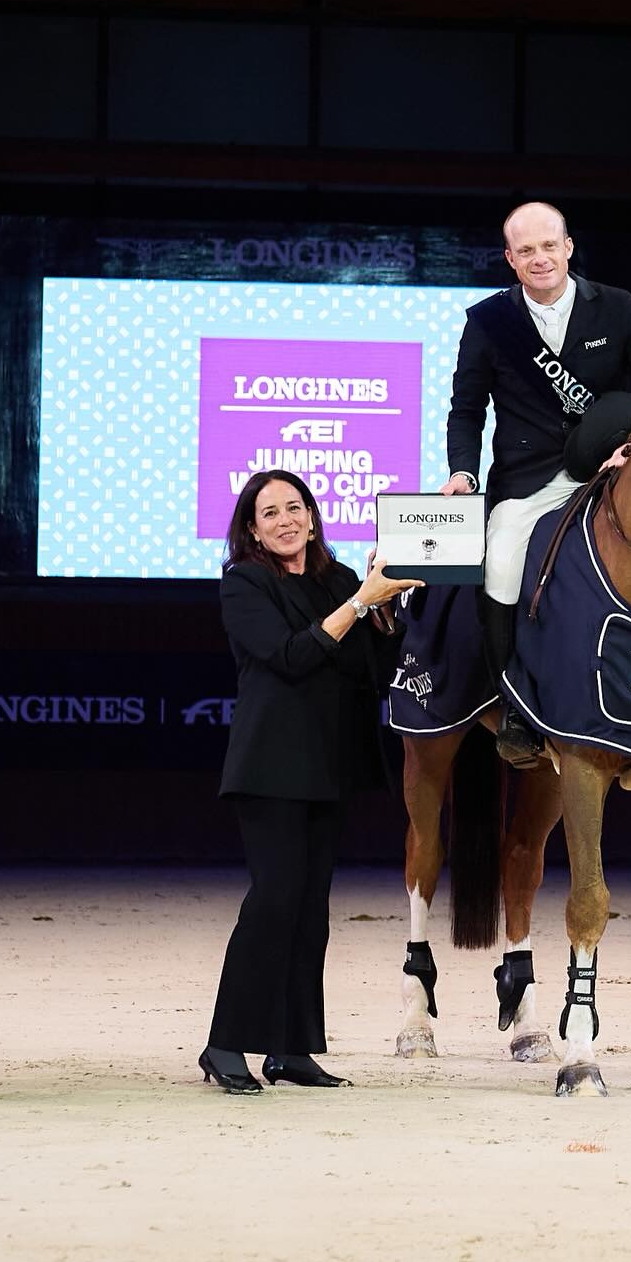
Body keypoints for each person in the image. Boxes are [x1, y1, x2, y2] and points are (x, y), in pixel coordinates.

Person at [199, 469, 420, 1094]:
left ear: (314, 516)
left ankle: (291, 1049)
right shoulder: (244, 583)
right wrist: (359, 606)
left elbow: (370, 667)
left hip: (328, 765)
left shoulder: (339, 579)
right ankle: (224, 1045)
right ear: (253, 529)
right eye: (269, 513)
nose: (286, 520)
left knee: (307, 912)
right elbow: (292, 656)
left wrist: (383, 612)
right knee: (273, 902)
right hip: (270, 768)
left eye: (295, 507)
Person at [441, 200, 631, 765]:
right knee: (499, 559)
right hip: (530, 479)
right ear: (510, 259)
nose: (539, 258)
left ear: (568, 247)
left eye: (549, 246)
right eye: (526, 250)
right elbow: (466, 408)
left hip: (611, 467)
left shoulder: (616, 308)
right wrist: (462, 472)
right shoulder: (488, 322)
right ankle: (515, 701)